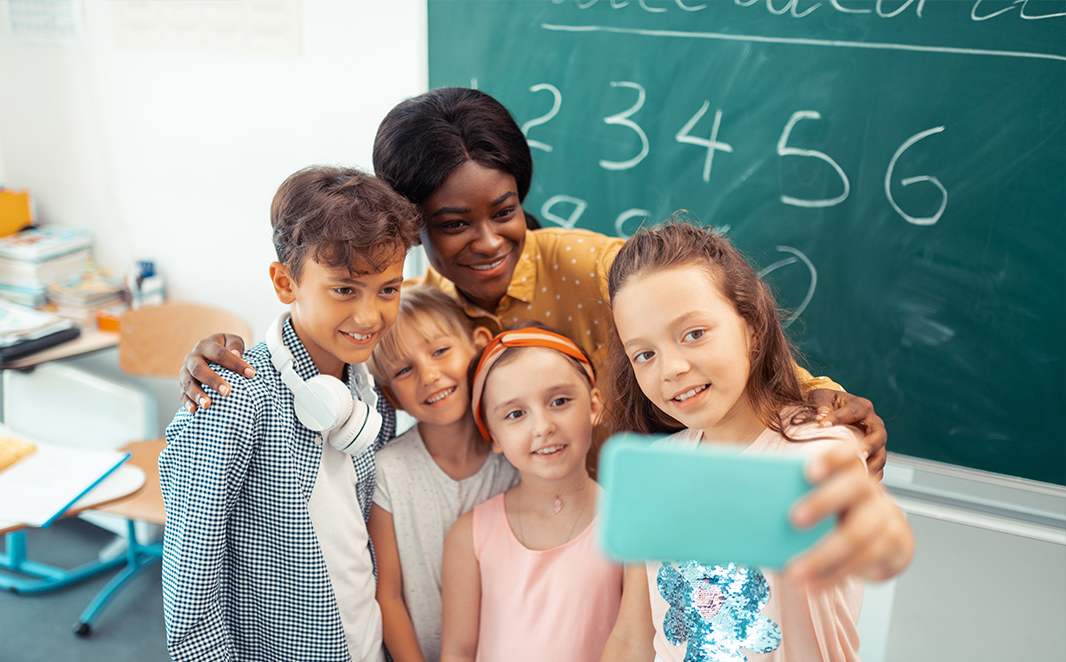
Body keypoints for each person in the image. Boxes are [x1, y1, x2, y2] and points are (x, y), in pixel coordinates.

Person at [176, 87, 890, 473]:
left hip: (660, 502)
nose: (488, 242)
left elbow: (713, 315)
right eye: (453, 223)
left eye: (505, 211)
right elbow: (331, 350)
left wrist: (822, 396)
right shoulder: (413, 309)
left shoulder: (586, 264)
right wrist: (224, 353)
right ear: (413, 226)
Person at [575, 221, 916, 662]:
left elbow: (880, 545)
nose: (674, 368)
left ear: (752, 328)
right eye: (644, 354)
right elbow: (632, 639)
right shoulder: (653, 466)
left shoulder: (822, 449)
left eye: (694, 333)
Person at [159, 166, 419, 662]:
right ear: (285, 283)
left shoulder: (368, 390)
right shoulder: (232, 395)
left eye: (388, 289)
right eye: (344, 289)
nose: (370, 314)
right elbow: (188, 578)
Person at [440, 326, 624, 662]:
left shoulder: (627, 525)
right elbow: (459, 652)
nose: (543, 426)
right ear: (495, 438)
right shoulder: (471, 535)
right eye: (515, 414)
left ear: (595, 405)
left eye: (560, 401)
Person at [363, 286, 518, 662]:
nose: (429, 375)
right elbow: (386, 595)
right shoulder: (389, 470)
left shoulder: (516, 461)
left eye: (440, 351)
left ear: (477, 344)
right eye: (405, 370)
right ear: (391, 394)